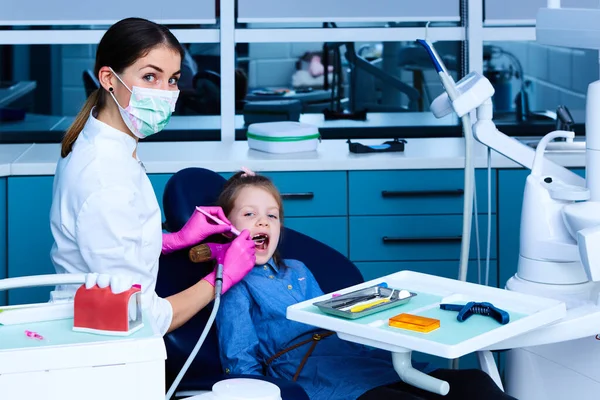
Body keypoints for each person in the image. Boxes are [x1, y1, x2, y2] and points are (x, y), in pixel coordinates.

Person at [211, 170, 516, 400]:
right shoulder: (235, 285)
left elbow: (333, 324)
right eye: (249, 214)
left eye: (272, 215)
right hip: (317, 378)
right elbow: (241, 365)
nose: (263, 222)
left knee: (474, 383)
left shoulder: (298, 271)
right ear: (227, 226)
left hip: (364, 362)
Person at [49, 17, 256, 336]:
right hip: (104, 338)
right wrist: (222, 277)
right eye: (150, 76)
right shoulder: (104, 179)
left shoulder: (107, 141)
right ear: (109, 78)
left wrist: (175, 240)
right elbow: (143, 317)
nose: (165, 93)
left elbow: (109, 241)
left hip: (97, 321)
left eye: (172, 80)